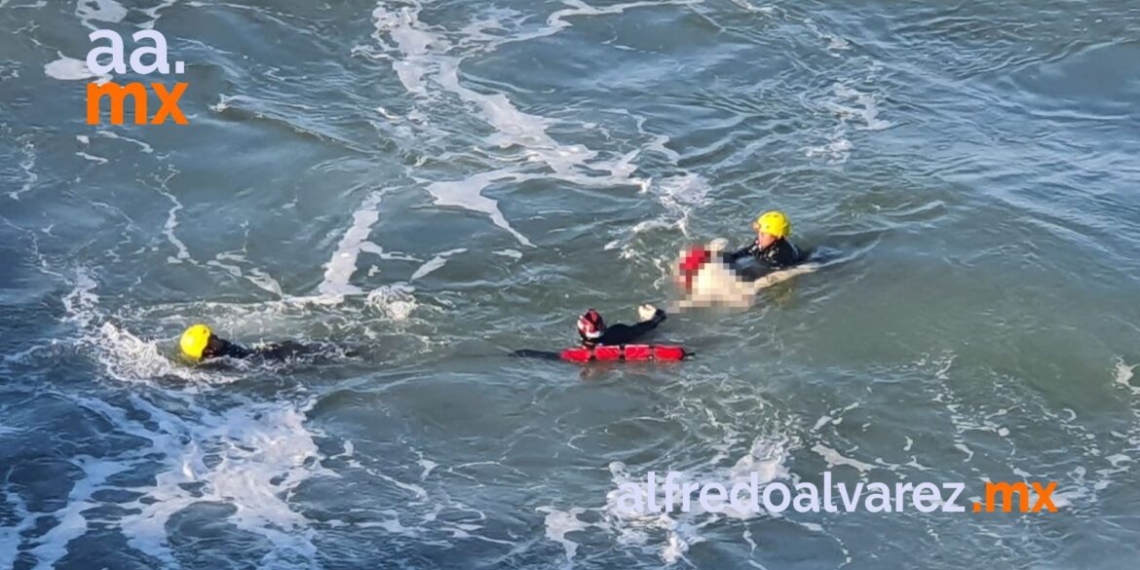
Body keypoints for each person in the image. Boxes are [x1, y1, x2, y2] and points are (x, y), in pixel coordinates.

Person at [512, 304, 688, 362]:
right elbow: (644, 329)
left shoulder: (575, 356)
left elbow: (545, 356)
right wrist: (658, 317)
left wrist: (519, 353)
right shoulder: (618, 333)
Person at [724, 210, 803, 280]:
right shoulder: (763, 241)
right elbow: (748, 251)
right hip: (764, 262)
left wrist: (735, 272)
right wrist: (731, 256)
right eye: (759, 233)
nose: (759, 237)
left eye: (763, 234)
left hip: (777, 267)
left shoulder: (781, 254)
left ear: (777, 236)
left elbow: (761, 270)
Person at [179, 323, 310, 364]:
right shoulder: (222, 363)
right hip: (274, 360)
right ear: (208, 351)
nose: (216, 338)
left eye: (213, 335)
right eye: (212, 339)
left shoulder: (223, 349)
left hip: (268, 355)